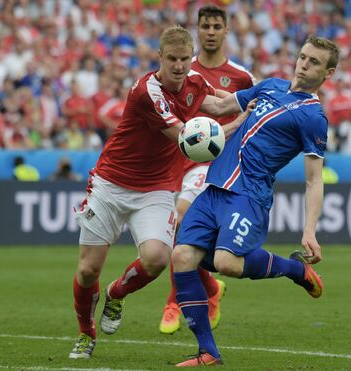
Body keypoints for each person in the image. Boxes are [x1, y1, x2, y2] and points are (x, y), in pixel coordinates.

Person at [68, 25, 254, 359]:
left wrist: (251, 102)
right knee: (86, 270)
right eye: (173, 59)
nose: (180, 66)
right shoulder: (146, 92)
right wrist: (238, 124)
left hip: (155, 188)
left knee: (155, 259)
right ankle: (86, 332)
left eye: (185, 58)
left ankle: (116, 294)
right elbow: (189, 140)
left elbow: (212, 104)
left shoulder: (195, 82)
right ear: (160, 57)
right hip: (111, 184)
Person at [171, 34, 340, 366]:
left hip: (248, 195)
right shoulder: (270, 86)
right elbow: (219, 104)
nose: (305, 63)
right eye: (304, 56)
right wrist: (176, 86)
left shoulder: (313, 117)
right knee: (180, 256)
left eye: (315, 61)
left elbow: (313, 178)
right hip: (215, 186)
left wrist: (309, 230)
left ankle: (295, 270)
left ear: (328, 73)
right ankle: (208, 352)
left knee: (226, 264)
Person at [159, 4, 256, 335]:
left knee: (184, 222)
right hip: (185, 162)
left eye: (217, 26)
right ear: (198, 30)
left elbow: (251, 119)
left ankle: (177, 300)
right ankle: (209, 290)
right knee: (179, 227)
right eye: (206, 26)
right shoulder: (183, 70)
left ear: (226, 30)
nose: (211, 31)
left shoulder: (243, 77)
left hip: (222, 166)